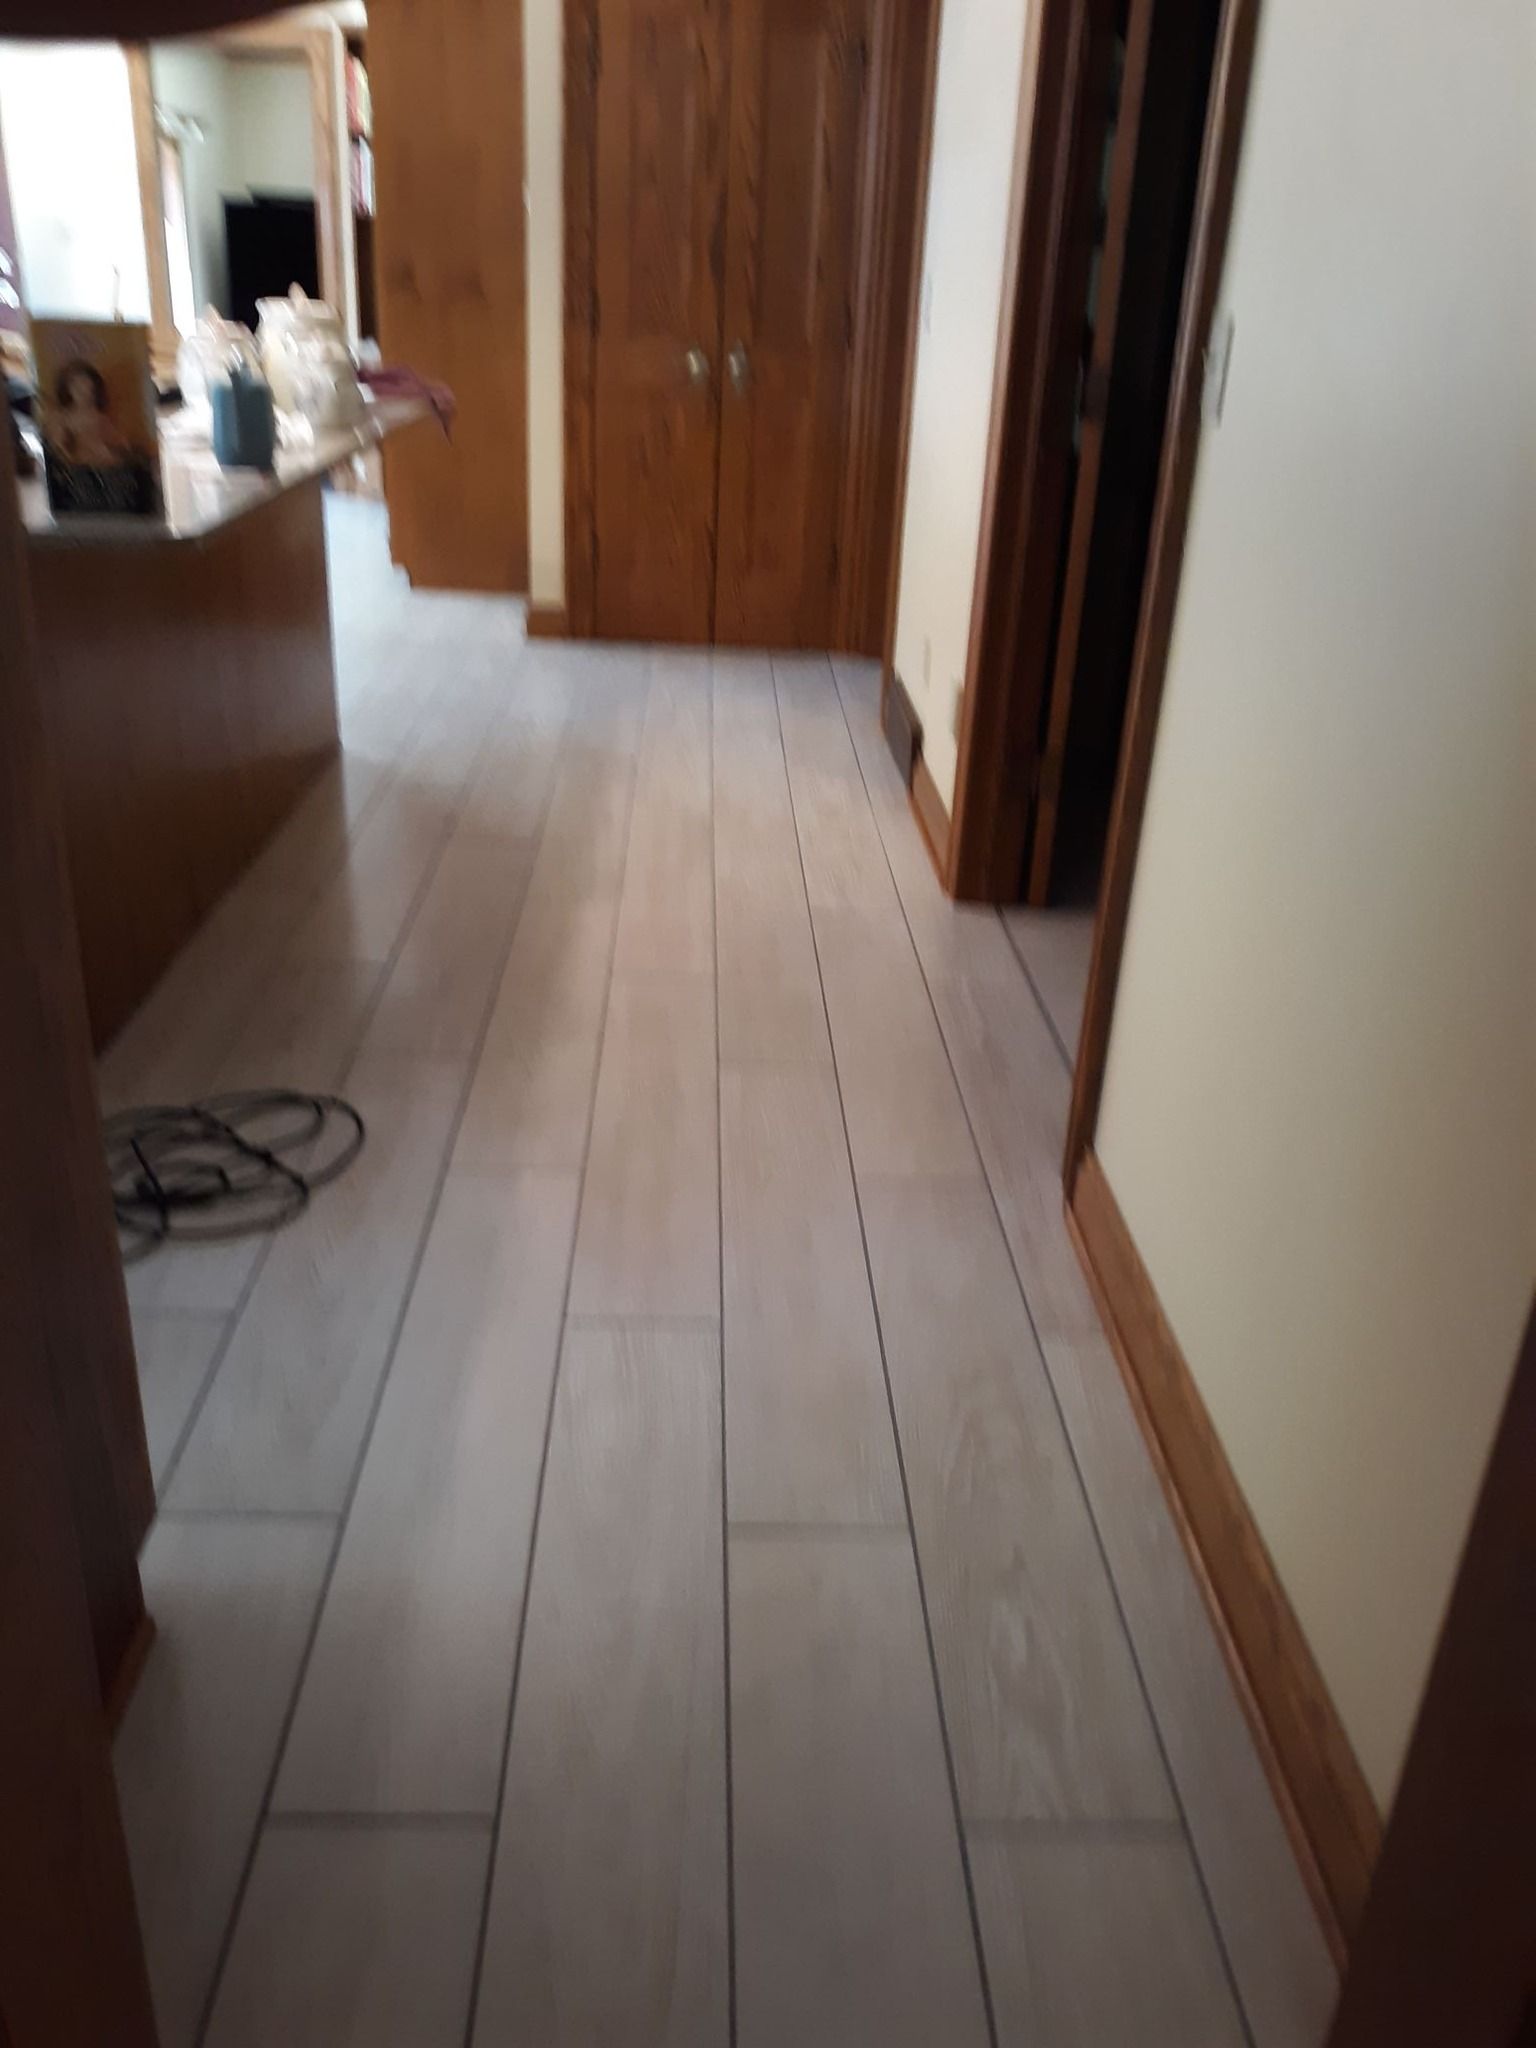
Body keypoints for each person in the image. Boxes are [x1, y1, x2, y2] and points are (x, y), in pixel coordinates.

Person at [53, 359, 129, 467]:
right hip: (78, 470)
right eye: (75, 385)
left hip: (106, 467)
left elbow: (120, 445)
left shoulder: (102, 419)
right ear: (67, 389)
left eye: (85, 385)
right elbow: (60, 451)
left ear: (94, 389)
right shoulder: (62, 419)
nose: (81, 390)